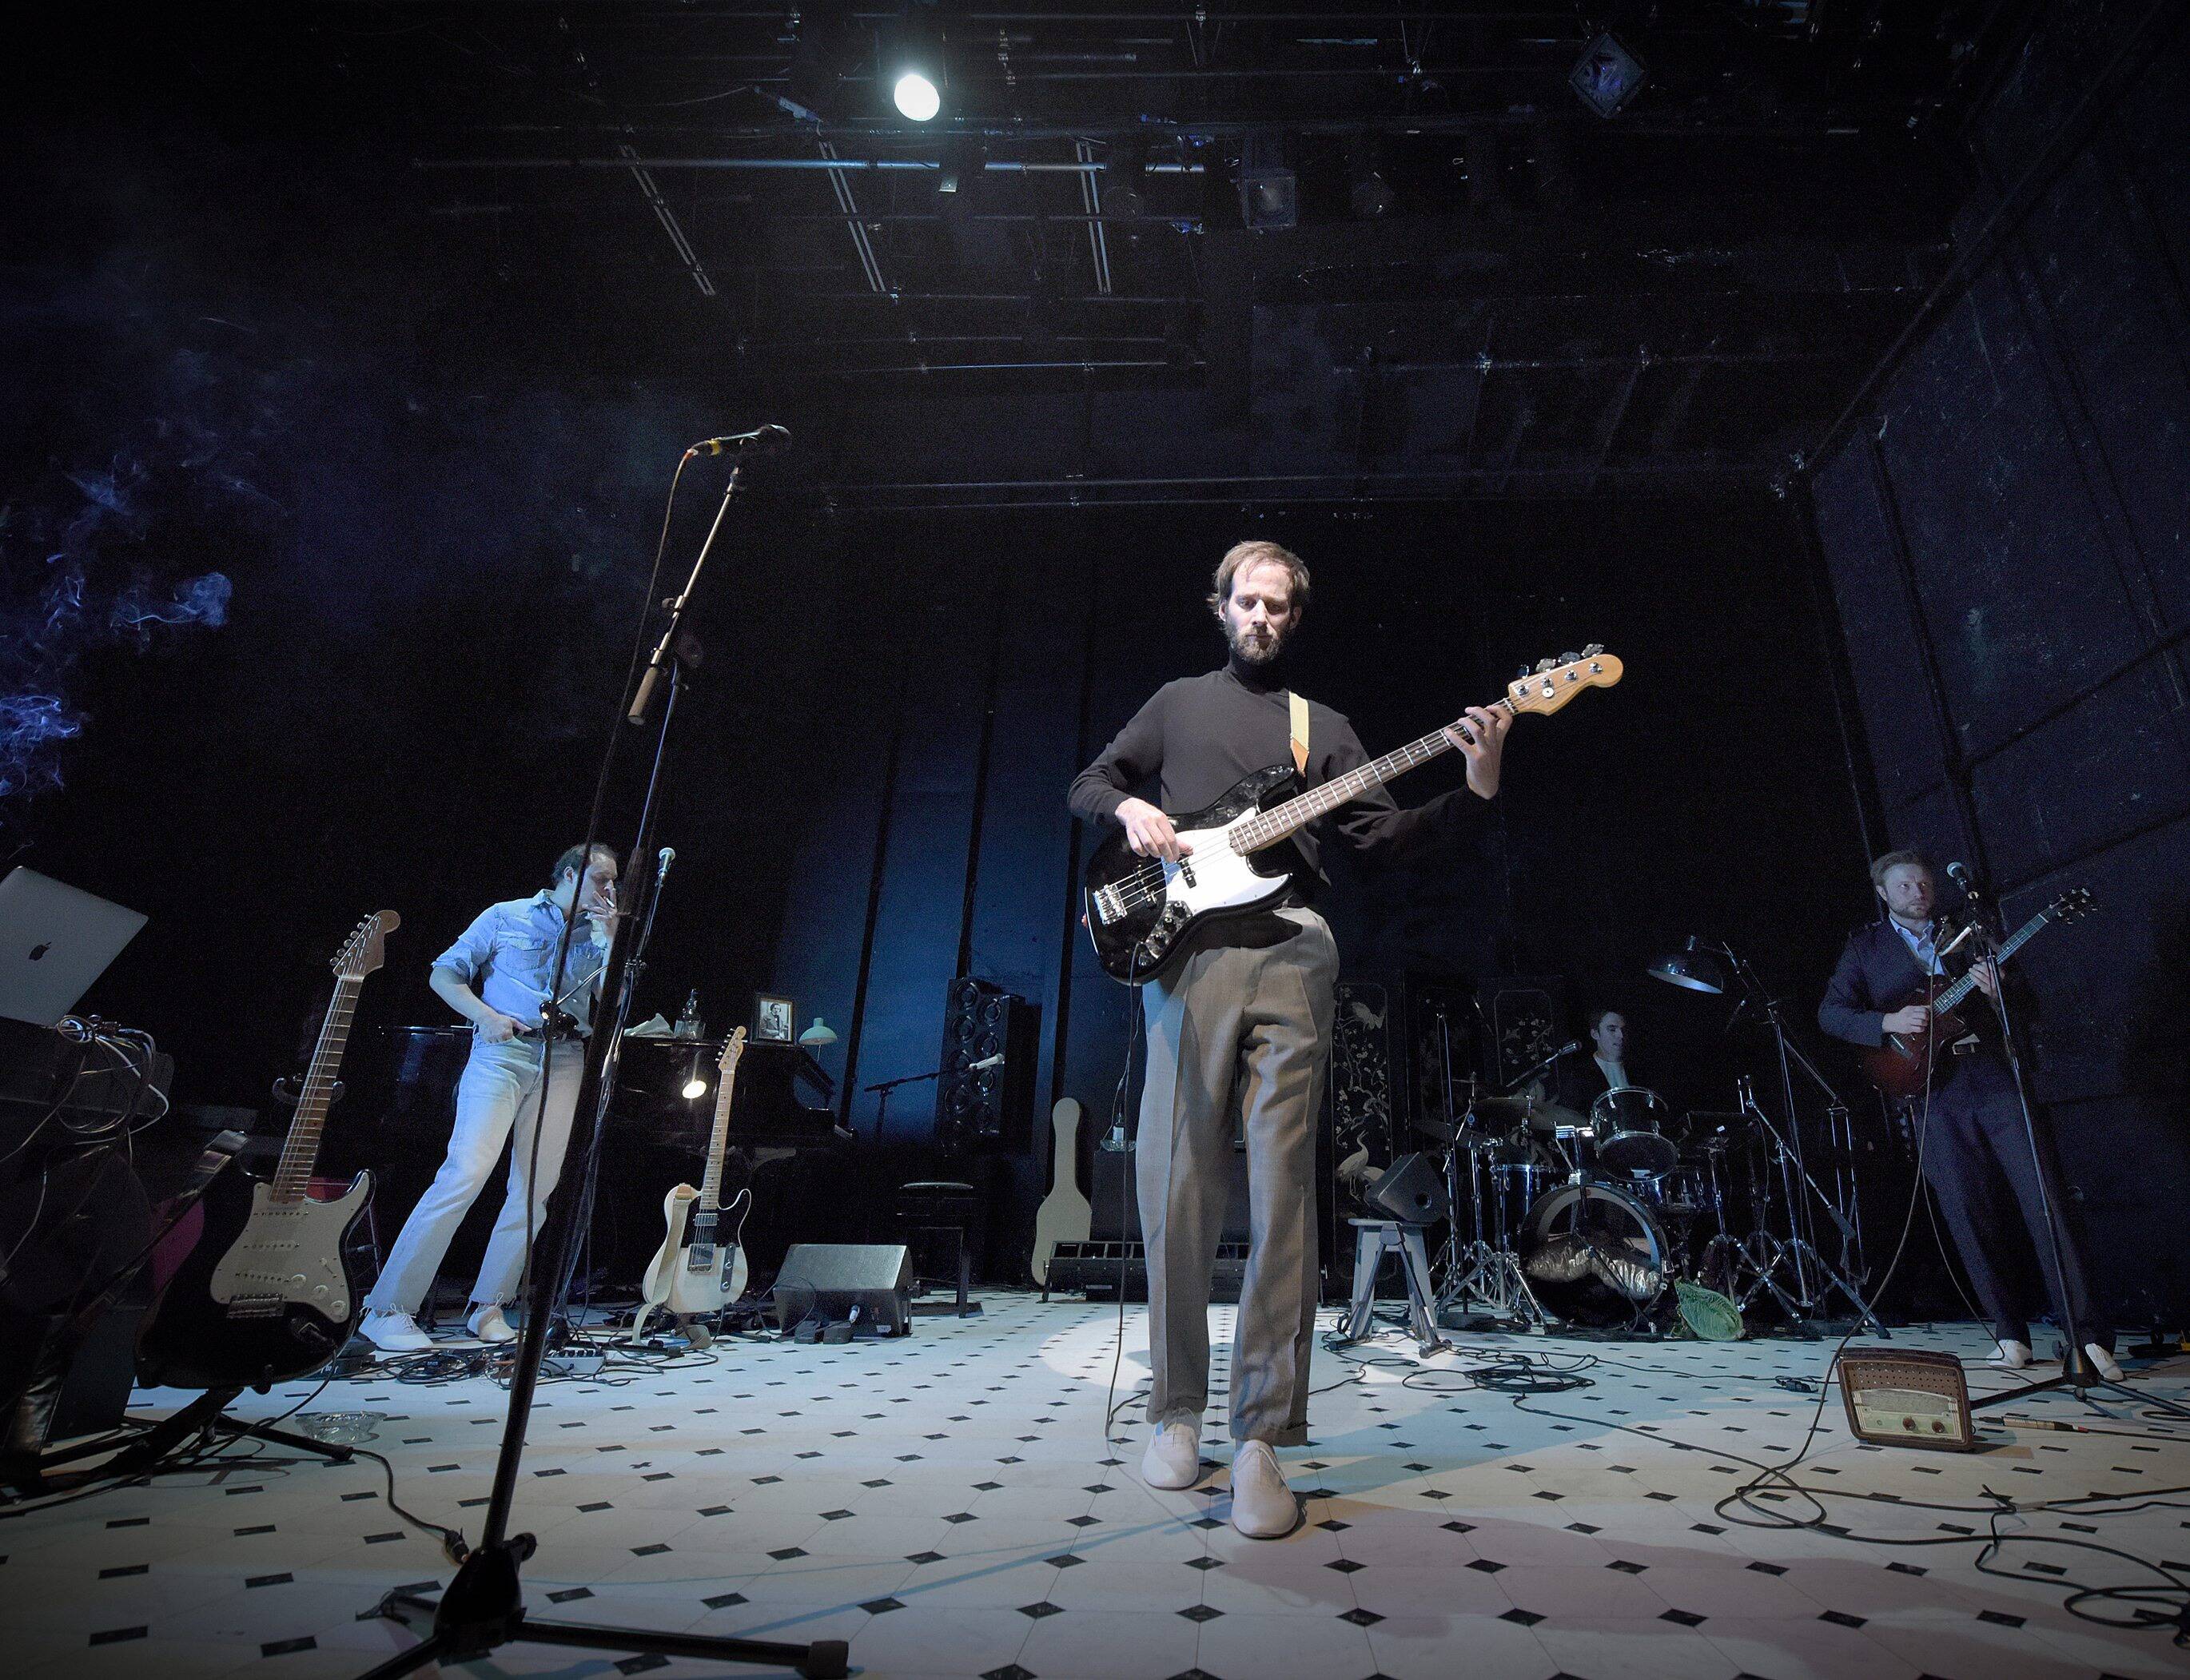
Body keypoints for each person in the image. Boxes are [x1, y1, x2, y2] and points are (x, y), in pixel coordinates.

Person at [1067, 539, 1511, 1537]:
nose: (1260, 616)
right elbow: (1089, 782)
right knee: (1175, 1186)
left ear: (1294, 618)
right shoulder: (1178, 702)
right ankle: (1176, 1411)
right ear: (1220, 606)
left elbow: (1380, 839)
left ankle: (1262, 1436)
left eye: (1277, 605)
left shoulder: (1327, 729)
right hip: (1187, 956)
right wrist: (1132, 805)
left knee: (1283, 1197)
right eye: (1246, 601)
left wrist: (1475, 787)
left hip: (1294, 950)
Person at [1818, 850, 2116, 1379]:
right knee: (1967, 1212)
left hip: (1993, 1077)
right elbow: (1831, 1013)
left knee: (2045, 1202)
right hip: (1934, 1092)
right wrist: (1887, 1022)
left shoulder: (1970, 933)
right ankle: (2010, 1332)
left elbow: (2025, 1004)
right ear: (1884, 893)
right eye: (1905, 885)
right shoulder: (1865, 948)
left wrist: (1999, 994)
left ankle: (2087, 1336)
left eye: (1923, 883)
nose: (1918, 892)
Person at [358, 843, 621, 1352]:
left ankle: (489, 1307)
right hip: (503, 1053)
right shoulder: (506, 915)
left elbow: (613, 1002)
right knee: (465, 1173)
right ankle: (387, 1308)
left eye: (613, 882)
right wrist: (486, 1015)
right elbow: (444, 972)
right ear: (570, 875)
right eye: (601, 879)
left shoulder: (602, 933)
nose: (610, 890)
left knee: (535, 1189)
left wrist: (610, 941)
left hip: (566, 1058)